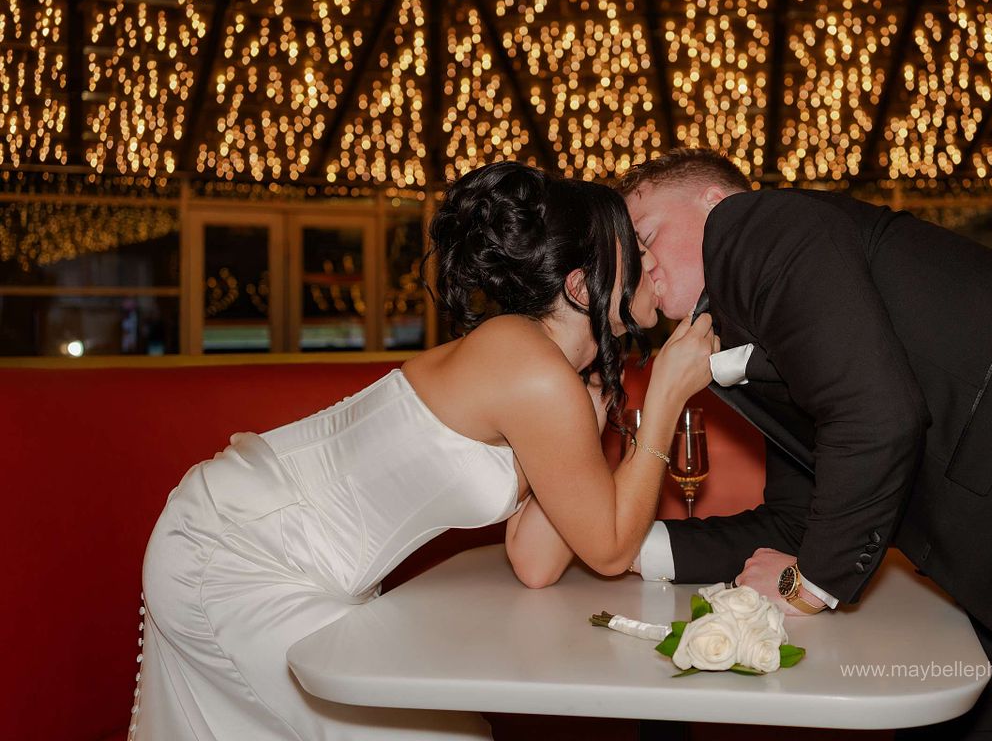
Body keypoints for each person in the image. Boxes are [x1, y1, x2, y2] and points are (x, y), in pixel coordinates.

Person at [621, 148, 992, 740]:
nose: (642, 263)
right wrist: (633, 545)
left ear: (717, 203)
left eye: (646, 236)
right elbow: (800, 519)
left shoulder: (753, 226)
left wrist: (810, 587)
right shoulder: (766, 332)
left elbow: (876, 418)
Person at [130, 161, 717, 740]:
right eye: (633, 250)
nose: (650, 264)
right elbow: (612, 551)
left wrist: (597, 422)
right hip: (241, 552)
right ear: (582, 286)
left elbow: (536, 563)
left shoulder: (549, 375)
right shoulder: (529, 367)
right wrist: (664, 398)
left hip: (295, 557)